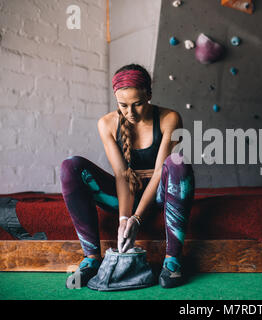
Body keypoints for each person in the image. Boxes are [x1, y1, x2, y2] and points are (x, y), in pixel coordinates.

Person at [61, 64, 195, 289]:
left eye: (138, 104)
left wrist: (137, 219)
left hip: (160, 196)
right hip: (124, 196)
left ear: (149, 95)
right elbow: (122, 177)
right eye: (123, 105)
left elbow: (162, 171)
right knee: (70, 166)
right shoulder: (106, 124)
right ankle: (92, 258)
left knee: (177, 164)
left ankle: (172, 261)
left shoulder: (169, 118)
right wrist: (125, 220)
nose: (130, 113)